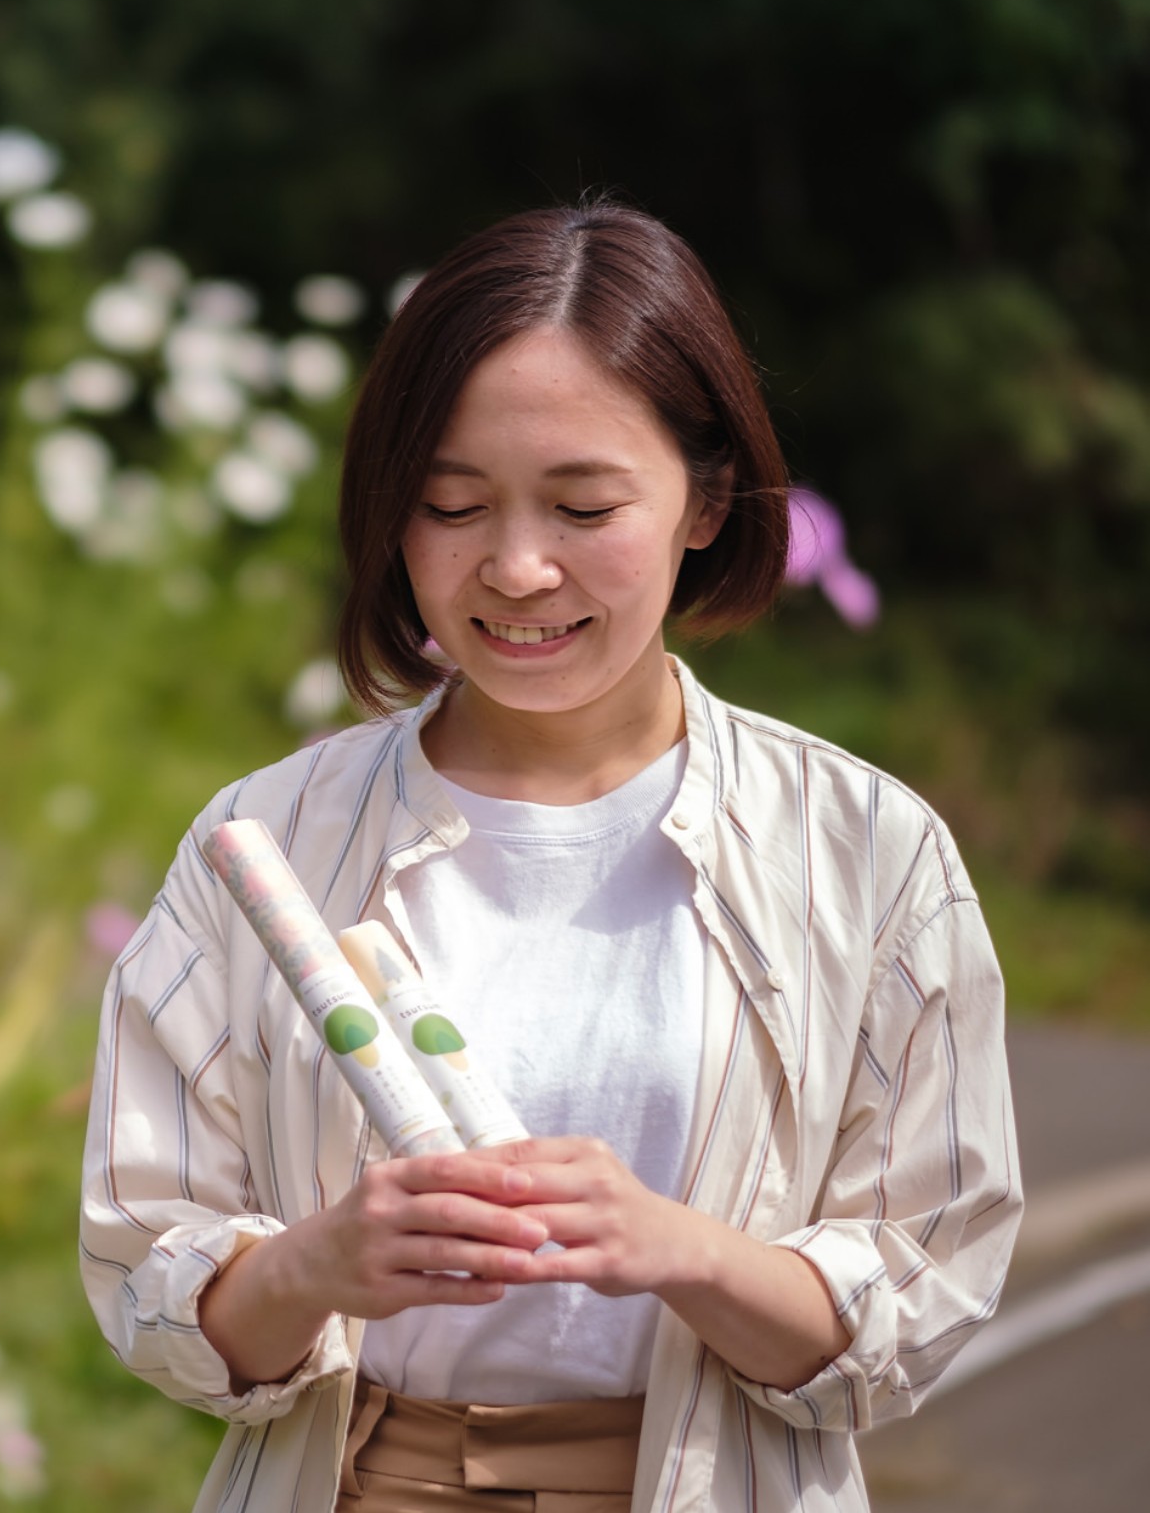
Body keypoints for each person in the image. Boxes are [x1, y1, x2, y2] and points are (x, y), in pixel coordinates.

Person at [78, 202, 1021, 1513]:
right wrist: (316, 1265)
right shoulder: (268, 842)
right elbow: (146, 1273)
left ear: (703, 500)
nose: (514, 568)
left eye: (582, 505)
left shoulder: (867, 851)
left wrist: (679, 1251)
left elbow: (924, 1292)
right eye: (449, 505)